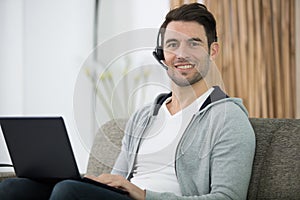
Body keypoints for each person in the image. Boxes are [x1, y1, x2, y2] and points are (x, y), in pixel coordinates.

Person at [0, 3, 255, 200]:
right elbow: (118, 179)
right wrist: (97, 182)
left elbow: (227, 197)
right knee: (15, 188)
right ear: (161, 54)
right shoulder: (145, 116)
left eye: (194, 43)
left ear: (213, 51)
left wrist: (143, 195)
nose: (181, 54)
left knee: (69, 193)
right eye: (173, 44)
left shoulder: (227, 118)